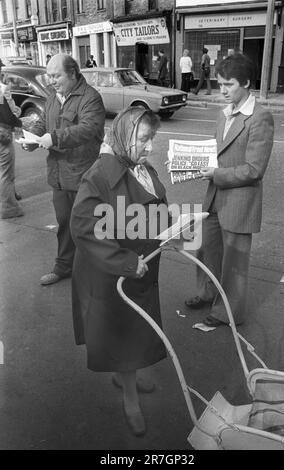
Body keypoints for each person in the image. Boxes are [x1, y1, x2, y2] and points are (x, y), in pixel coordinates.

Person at [70, 107, 170, 437]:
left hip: (141, 267)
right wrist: (125, 262)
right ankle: (129, 398)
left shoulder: (142, 168)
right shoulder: (99, 175)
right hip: (114, 272)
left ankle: (128, 373)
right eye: (143, 139)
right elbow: (85, 228)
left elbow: (155, 210)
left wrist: (176, 228)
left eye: (151, 138)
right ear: (125, 137)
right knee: (125, 335)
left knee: (137, 329)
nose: (150, 146)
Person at [185, 53, 274, 327]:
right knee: (207, 250)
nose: (222, 90)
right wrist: (188, 163)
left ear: (246, 82)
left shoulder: (260, 118)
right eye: (219, 83)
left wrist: (217, 174)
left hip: (239, 202)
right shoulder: (224, 113)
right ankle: (206, 292)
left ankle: (226, 312)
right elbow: (215, 152)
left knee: (233, 263)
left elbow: (254, 169)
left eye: (229, 84)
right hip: (214, 198)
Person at [23, 54, 105, 285]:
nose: (51, 80)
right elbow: (43, 123)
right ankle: (63, 266)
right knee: (64, 224)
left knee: (87, 226)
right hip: (59, 176)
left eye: (56, 75)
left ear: (73, 73)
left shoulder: (90, 98)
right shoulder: (52, 97)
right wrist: (34, 138)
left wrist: (54, 137)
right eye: (49, 76)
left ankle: (94, 271)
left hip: (83, 175)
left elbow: (89, 129)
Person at [0, 60, 23, 219]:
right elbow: (6, 114)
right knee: (6, 173)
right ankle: (9, 208)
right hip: (2, 136)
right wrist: (19, 123)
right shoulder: (1, 90)